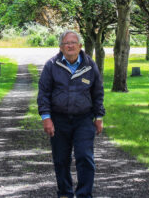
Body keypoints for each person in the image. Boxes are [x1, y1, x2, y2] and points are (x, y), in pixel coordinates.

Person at [37, 30, 105, 198]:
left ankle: (84, 194)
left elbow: (98, 93)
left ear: (80, 46)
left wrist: (99, 117)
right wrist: (46, 118)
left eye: (73, 42)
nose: (70, 46)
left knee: (85, 157)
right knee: (61, 160)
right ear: (61, 47)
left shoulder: (90, 65)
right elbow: (43, 93)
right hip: (59, 120)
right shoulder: (51, 65)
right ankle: (65, 193)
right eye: (66, 43)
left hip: (84, 120)